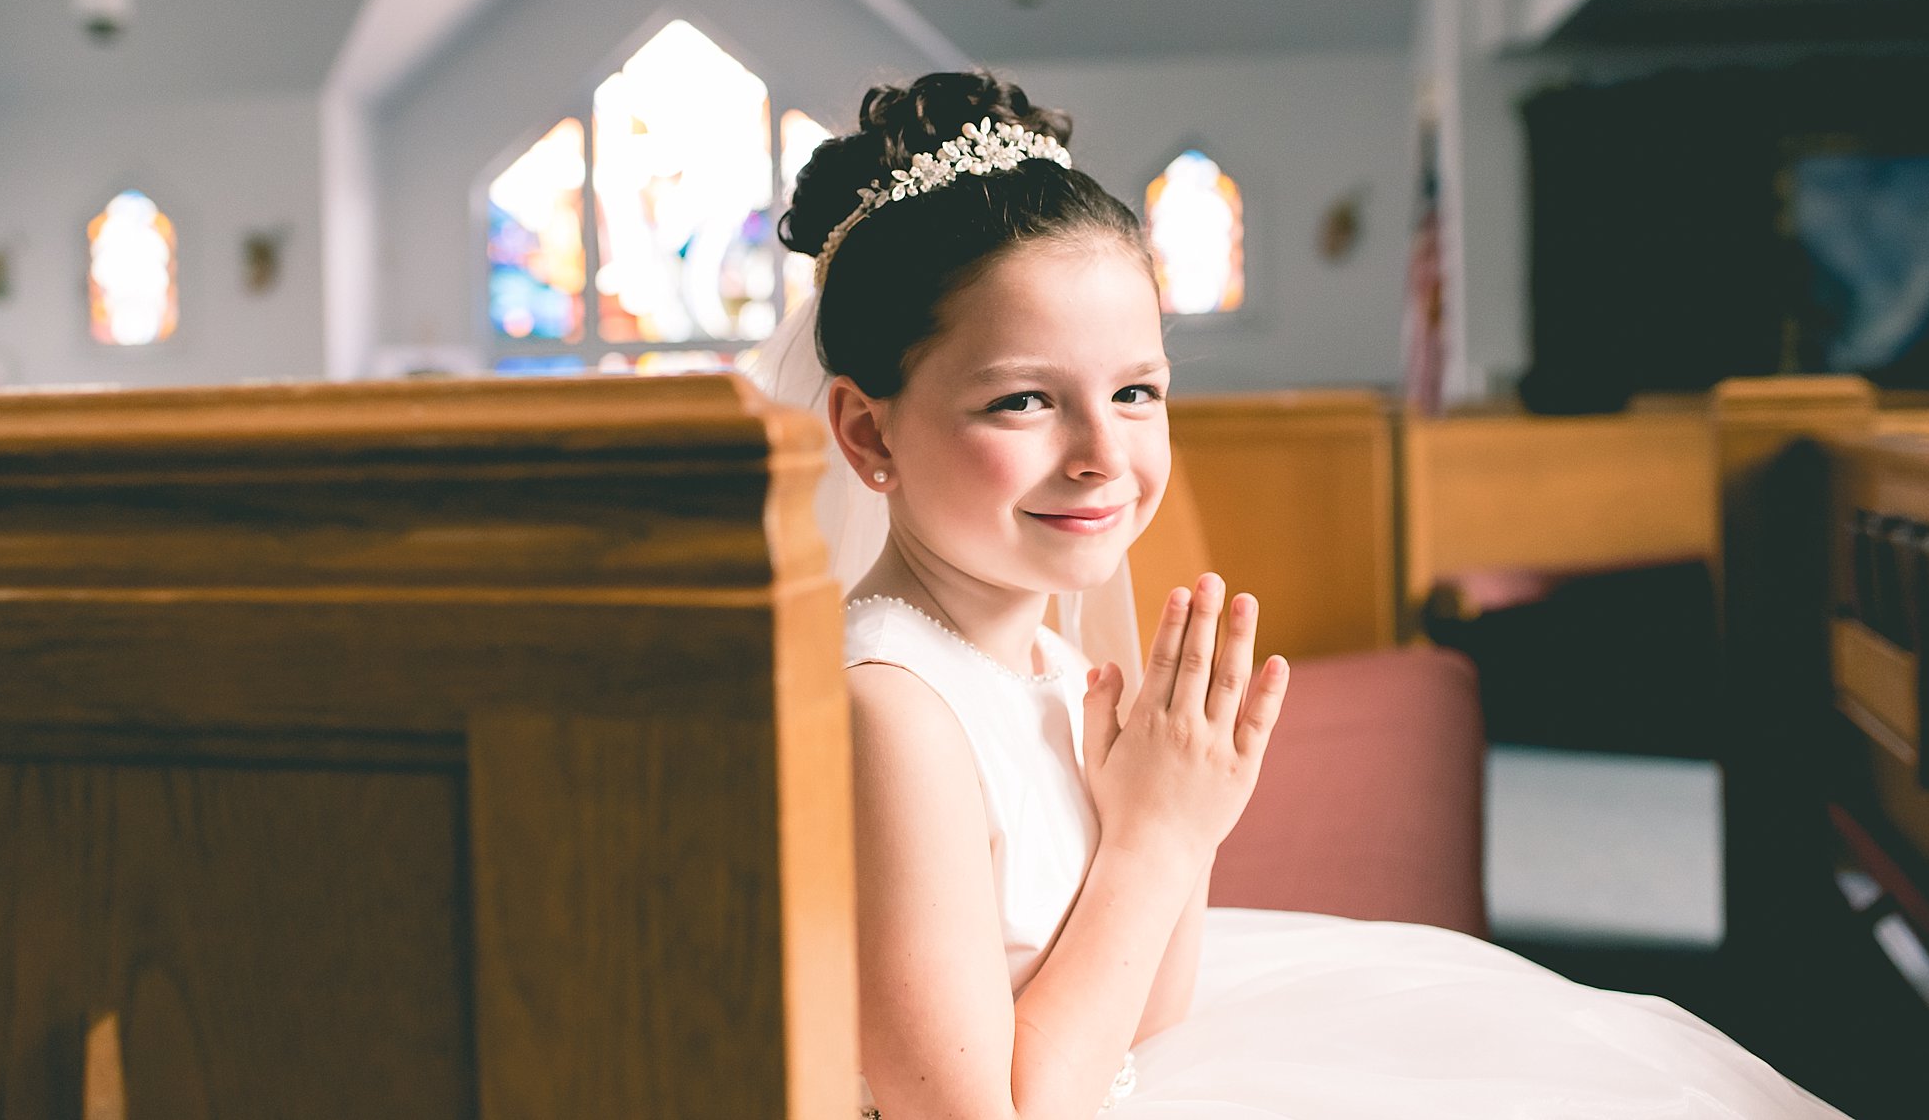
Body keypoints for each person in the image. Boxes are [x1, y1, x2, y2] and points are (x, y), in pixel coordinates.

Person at [745, 71, 1845, 1119]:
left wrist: (1187, 812)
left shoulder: (1042, 661)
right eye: (1025, 399)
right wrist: (1155, 840)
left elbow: (1148, 1008)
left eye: (1135, 390)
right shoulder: (890, 709)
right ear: (866, 429)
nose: (1100, 454)